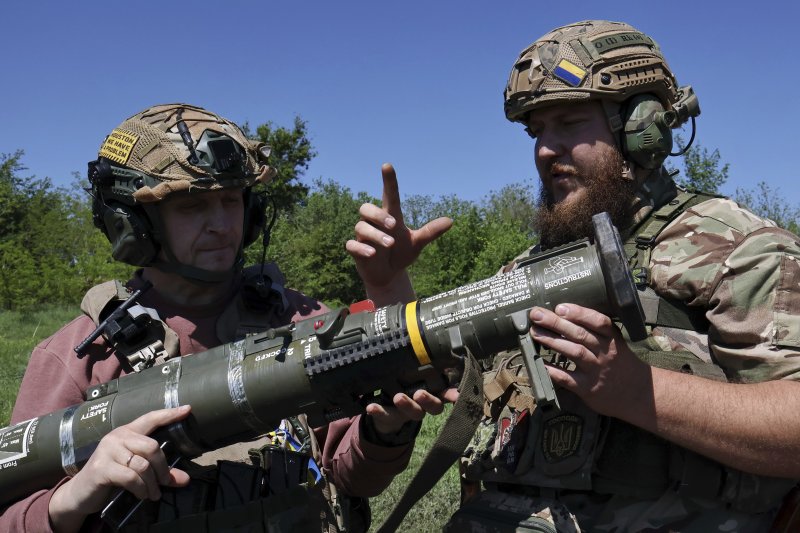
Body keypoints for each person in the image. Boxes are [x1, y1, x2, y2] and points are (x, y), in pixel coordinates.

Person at [350, 20, 800, 531]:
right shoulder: (528, 269)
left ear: (641, 126)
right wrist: (388, 286)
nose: (545, 148)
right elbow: (445, 378)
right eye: (536, 130)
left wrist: (639, 390)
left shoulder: (738, 248)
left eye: (568, 122)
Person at [0, 103, 452, 533]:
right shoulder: (81, 357)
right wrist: (76, 494)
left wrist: (383, 430)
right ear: (133, 223)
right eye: (193, 206)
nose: (221, 223)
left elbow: (353, 481)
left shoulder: (301, 320)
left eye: (232, 200)